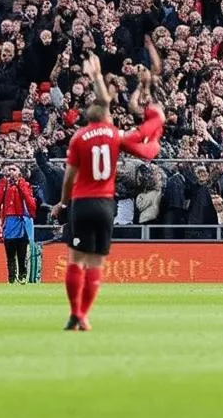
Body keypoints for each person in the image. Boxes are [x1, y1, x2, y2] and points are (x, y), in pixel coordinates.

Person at [49, 55, 164, 330]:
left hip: (81, 203)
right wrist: (156, 121)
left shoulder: (78, 138)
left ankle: (74, 311)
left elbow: (68, 179)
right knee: (96, 262)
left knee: (76, 259)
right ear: (107, 116)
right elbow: (145, 136)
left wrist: (62, 204)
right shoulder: (115, 135)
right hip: (104, 205)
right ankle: (84, 315)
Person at [0, 163, 37, 284]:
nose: (10, 172)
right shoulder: (3, 184)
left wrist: (19, 184)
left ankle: (23, 274)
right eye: (9, 169)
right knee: (10, 253)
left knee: (21, 253)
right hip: (9, 220)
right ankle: (11, 278)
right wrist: (4, 184)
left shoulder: (25, 185)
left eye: (14, 169)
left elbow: (29, 201)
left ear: (19, 173)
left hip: (21, 220)